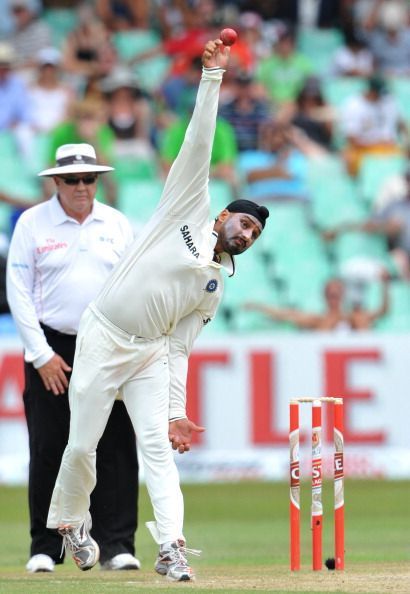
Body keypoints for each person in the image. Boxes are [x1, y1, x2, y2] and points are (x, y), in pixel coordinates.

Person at [45, 38, 269, 582]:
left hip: (148, 355)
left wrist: (175, 411)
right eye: (242, 222)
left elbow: (178, 347)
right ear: (221, 215)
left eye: (255, 234)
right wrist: (212, 77)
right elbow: (199, 141)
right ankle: (72, 521)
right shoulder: (186, 208)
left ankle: (171, 548)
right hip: (104, 333)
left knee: (158, 452)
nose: (245, 233)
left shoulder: (214, 285)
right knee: (82, 446)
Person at [6, 143, 140, 573]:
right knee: (49, 443)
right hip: (53, 344)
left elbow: (134, 288)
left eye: (89, 179)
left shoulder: (117, 223)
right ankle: (47, 547)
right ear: (56, 182)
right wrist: (40, 354)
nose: (82, 188)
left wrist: (130, 345)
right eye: (72, 180)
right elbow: (19, 293)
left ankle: (116, 545)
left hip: (107, 343)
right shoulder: (32, 222)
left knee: (115, 443)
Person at [244, 274, 390, 331]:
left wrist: (385, 286)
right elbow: (287, 315)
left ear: (343, 295)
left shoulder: (354, 318)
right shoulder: (319, 320)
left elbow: (382, 312)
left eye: (337, 295)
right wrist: (259, 307)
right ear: (325, 297)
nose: (334, 299)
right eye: (331, 295)